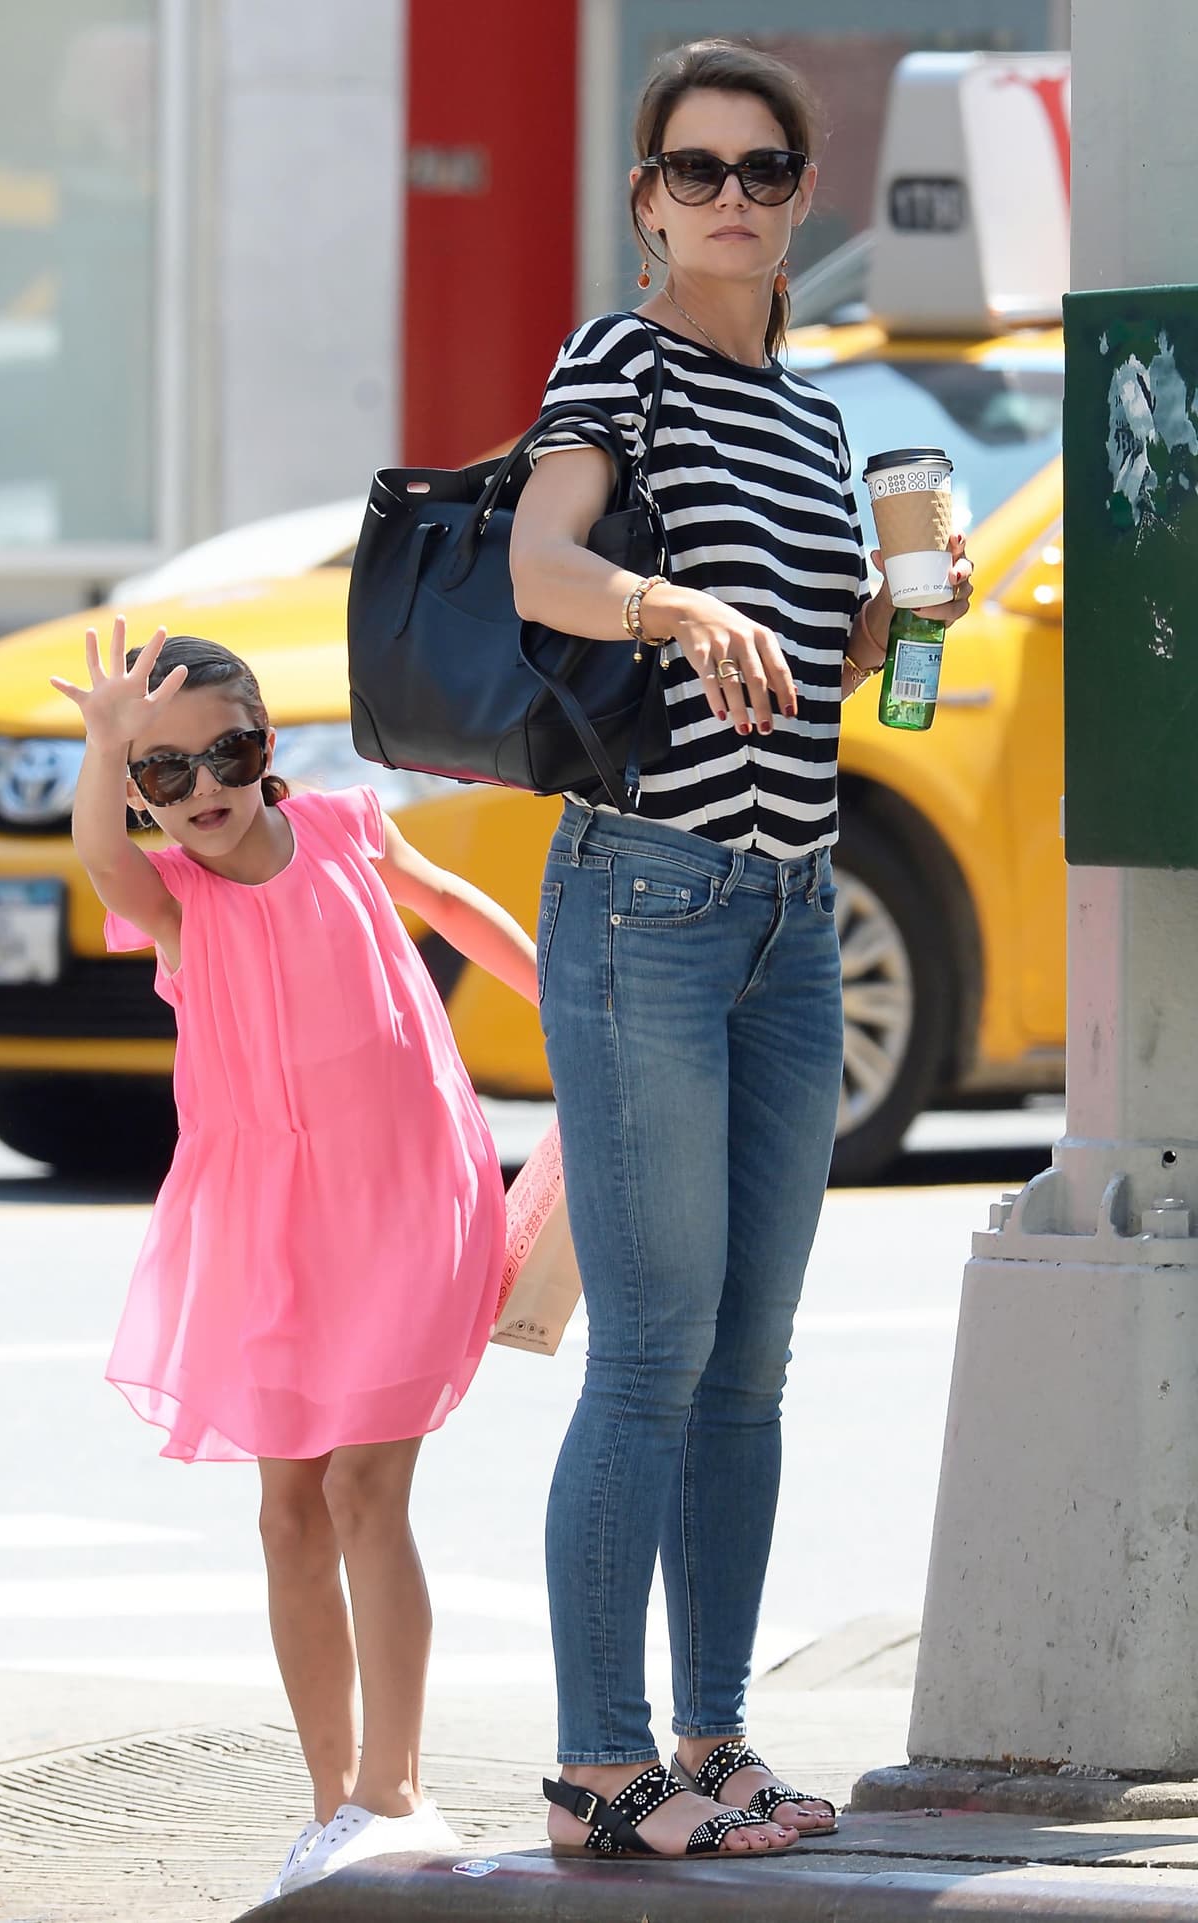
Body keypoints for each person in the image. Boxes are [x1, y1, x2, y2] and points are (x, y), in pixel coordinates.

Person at [509, 38, 974, 1864]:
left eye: (760, 171)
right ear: (645, 202)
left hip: (794, 914)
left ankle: (713, 1741)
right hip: (646, 895)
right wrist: (669, 598)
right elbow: (545, 564)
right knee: (650, 1349)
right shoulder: (619, 365)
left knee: (749, 1362)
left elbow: (805, 662)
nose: (727, 198)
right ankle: (597, 1766)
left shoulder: (814, 413)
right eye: (691, 170)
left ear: (798, 200)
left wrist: (890, 610)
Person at [51, 622, 539, 1899]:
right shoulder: (172, 900)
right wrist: (104, 753)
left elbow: (448, 904)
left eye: (227, 752)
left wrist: (568, 1009)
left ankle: (397, 1787)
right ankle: (332, 1804)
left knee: (367, 1496)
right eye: (165, 774)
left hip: (401, 1199)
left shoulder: (344, 827)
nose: (202, 788)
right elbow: (99, 852)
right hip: (266, 1230)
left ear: (269, 749)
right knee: (286, 1514)